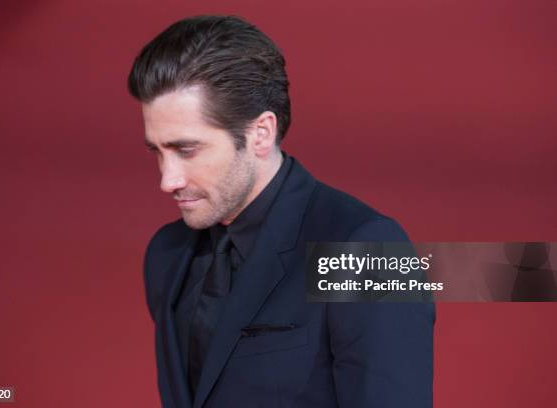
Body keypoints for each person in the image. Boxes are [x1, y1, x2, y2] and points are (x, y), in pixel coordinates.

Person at [127, 15, 435, 408]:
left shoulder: (366, 251)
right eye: (158, 151)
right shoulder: (166, 253)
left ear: (260, 133)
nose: (167, 181)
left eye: (187, 150)